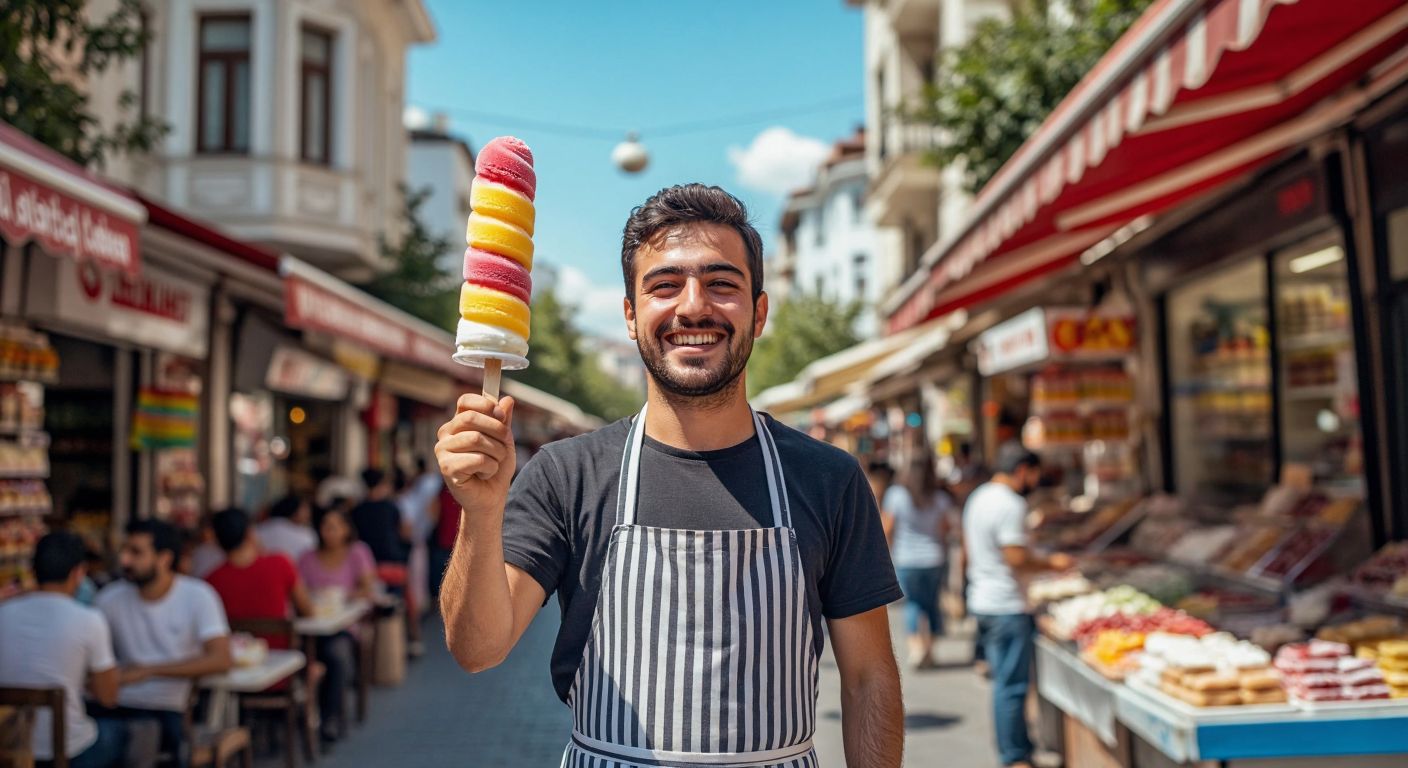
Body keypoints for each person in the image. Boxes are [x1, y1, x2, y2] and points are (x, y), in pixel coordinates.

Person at [437, 184, 905, 767]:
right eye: (664, 285)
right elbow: (478, 649)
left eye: (721, 284)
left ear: (759, 313)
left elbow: (868, 679)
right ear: (631, 315)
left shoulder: (829, 478)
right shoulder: (566, 474)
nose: (691, 307)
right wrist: (480, 513)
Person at [963, 447, 1072, 768]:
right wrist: (1054, 562)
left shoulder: (979, 496)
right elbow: (1016, 558)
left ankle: (1018, 747)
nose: (1036, 482)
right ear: (1023, 470)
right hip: (1006, 605)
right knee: (1011, 687)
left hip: (984, 598)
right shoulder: (1010, 503)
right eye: (1036, 474)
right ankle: (1014, 757)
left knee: (1004, 683)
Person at [95, 519, 232, 768]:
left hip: (167, 706)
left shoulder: (198, 596)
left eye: (136, 552)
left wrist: (149, 670)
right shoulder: (109, 599)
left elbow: (221, 659)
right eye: (125, 551)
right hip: (115, 702)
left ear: (164, 558)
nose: (125, 560)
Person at [0, 532, 125, 768]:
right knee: (124, 733)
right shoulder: (89, 619)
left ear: (33, 571)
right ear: (79, 573)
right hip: (68, 750)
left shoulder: (4, 612)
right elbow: (108, 697)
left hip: (8, 745)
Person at [297, 505, 378, 740]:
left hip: (344, 625)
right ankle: (303, 711)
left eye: (333, 527)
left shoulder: (357, 552)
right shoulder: (307, 558)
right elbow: (299, 592)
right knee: (302, 656)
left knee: (337, 655)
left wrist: (344, 596)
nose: (328, 532)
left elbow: (367, 587)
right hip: (312, 625)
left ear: (345, 529)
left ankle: (330, 717)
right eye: (324, 526)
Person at [881, 459, 955, 670]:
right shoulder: (939, 498)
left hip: (906, 559)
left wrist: (890, 551)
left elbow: (887, 527)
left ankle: (916, 648)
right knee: (932, 603)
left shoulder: (896, 495)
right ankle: (929, 649)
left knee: (913, 603)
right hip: (934, 558)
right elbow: (945, 529)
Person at [204, 508, 314, 645]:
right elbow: (308, 610)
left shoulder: (210, 581)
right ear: (250, 533)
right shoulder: (280, 563)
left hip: (237, 655)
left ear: (216, 541)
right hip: (281, 655)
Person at [351, 468, 421, 655]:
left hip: (367, 569)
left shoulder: (357, 509)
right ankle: (410, 641)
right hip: (392, 565)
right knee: (402, 603)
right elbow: (405, 532)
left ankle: (373, 650)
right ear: (382, 484)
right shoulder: (391, 507)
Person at [256, 493, 318, 564]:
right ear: (294, 512)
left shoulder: (259, 529)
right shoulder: (306, 535)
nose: (308, 513)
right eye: (304, 509)